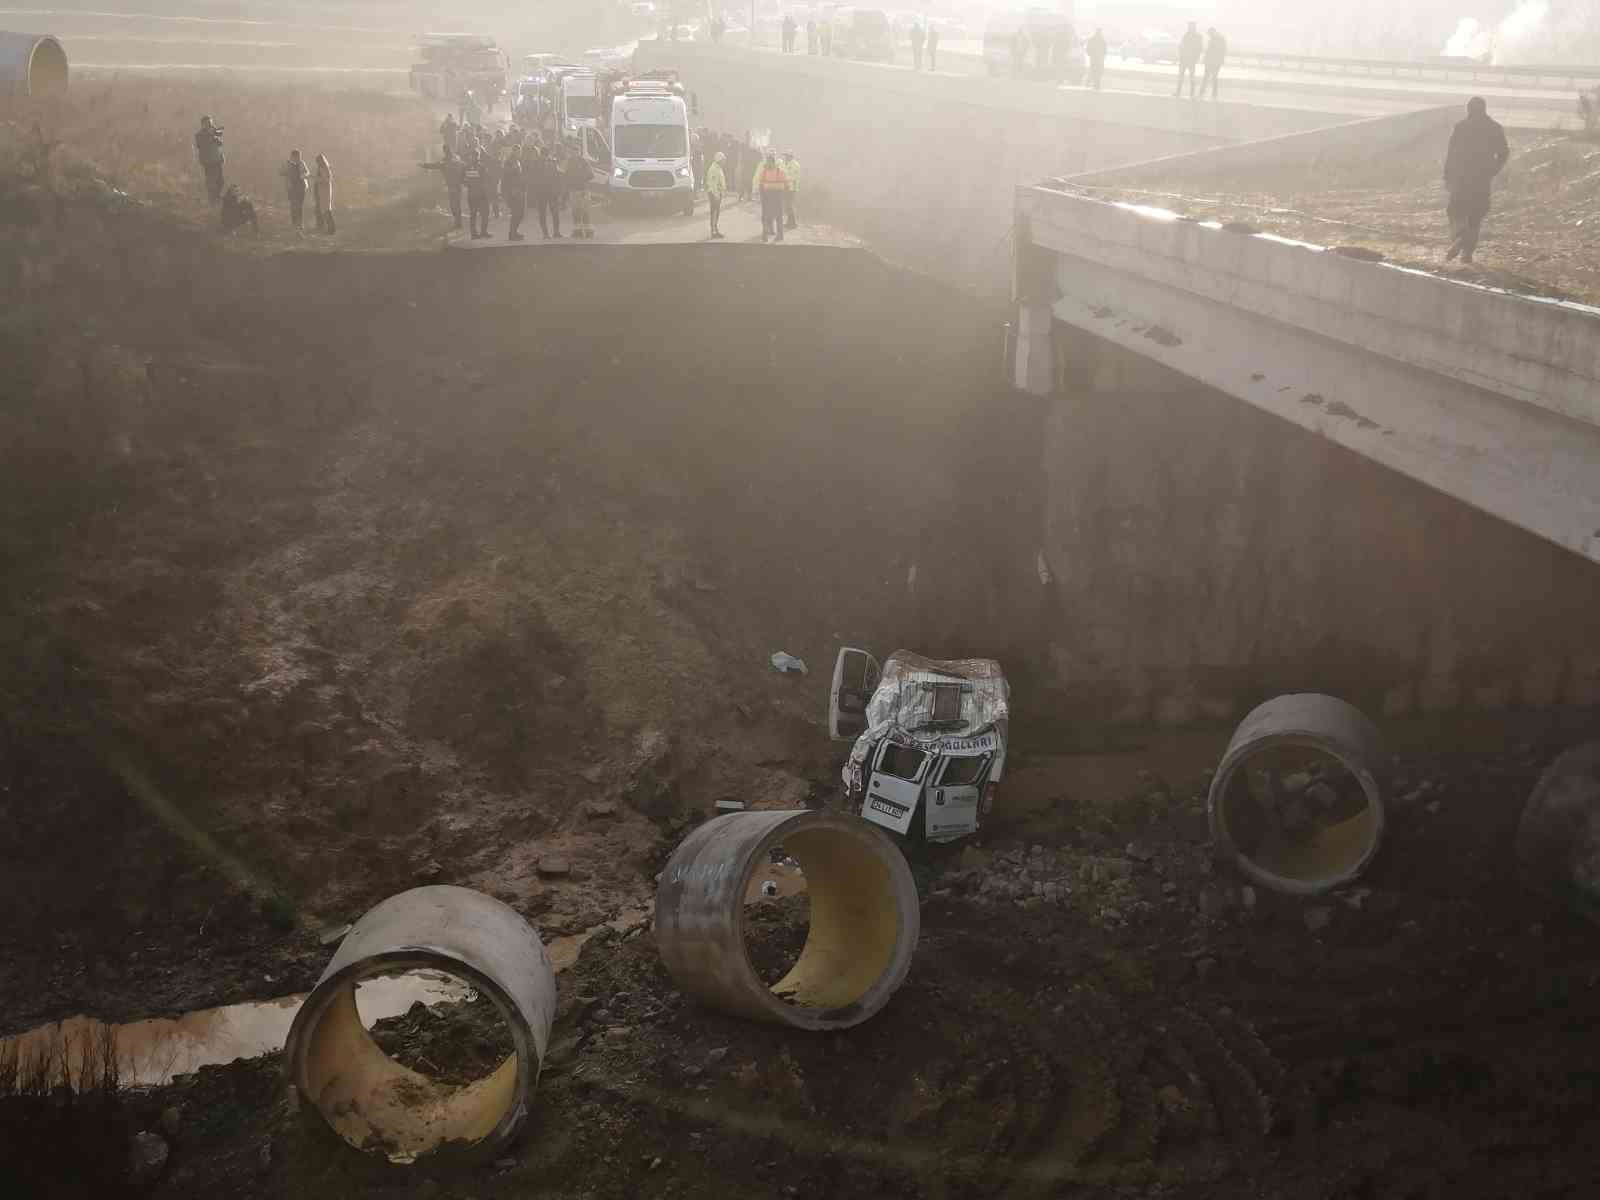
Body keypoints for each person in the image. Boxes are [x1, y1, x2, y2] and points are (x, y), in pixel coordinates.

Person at [1444, 96, 1510, 264]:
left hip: (1461, 178)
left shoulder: (1461, 127)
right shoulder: (1494, 128)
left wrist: (1448, 176)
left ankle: (1459, 237)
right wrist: (1493, 170)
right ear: (1484, 109)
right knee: (1476, 215)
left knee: (1454, 211)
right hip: (1482, 179)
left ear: (1469, 110)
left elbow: (1451, 154)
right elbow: (1503, 153)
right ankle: (1467, 253)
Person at [561, 143, 595, 239]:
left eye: (576, 151)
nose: (574, 153)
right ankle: (578, 232)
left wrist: (581, 179)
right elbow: (564, 174)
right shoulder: (568, 162)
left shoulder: (584, 162)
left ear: (579, 152)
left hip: (583, 190)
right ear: (571, 152)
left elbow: (591, 175)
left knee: (585, 211)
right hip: (573, 190)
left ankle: (588, 232)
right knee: (575, 211)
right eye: (573, 151)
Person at [756, 149, 789, 242]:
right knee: (777, 216)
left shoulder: (765, 171)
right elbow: (786, 185)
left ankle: (766, 234)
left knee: (767, 215)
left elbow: (760, 184)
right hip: (776, 195)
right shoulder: (779, 171)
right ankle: (778, 235)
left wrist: (761, 194)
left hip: (769, 195)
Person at [531, 144, 562, 238]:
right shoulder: (552, 162)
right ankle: (555, 232)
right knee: (554, 212)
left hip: (542, 192)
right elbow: (558, 176)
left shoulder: (536, 163)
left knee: (543, 213)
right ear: (548, 154)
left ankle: (546, 234)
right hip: (550, 192)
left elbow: (533, 179)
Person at [194, 115, 225, 206]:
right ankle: (212, 199)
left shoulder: (213, 133)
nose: (210, 125)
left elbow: (220, 144)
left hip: (217, 160)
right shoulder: (199, 135)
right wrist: (211, 135)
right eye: (208, 124)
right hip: (208, 161)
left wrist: (216, 135)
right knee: (211, 180)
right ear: (203, 124)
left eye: (211, 123)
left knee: (220, 180)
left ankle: (216, 196)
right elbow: (200, 144)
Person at [463, 150, 492, 238]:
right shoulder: (481, 167)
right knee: (484, 213)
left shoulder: (466, 167)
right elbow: (486, 179)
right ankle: (482, 232)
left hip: (472, 194)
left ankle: (475, 233)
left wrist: (469, 184)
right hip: (480, 194)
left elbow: (463, 180)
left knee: (474, 214)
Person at [281, 148, 310, 231]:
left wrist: (303, 175)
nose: (299, 158)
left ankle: (300, 223)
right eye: (298, 156)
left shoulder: (302, 163)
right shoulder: (288, 164)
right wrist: (286, 172)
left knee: (300, 206)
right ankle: (294, 223)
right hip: (291, 187)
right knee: (293, 205)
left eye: (300, 156)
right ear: (293, 156)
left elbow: (307, 172)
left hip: (301, 187)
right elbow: (281, 171)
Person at [503, 147, 527, 240]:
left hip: (519, 190)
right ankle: (512, 234)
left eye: (519, 151)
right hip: (513, 191)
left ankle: (514, 232)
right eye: (516, 151)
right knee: (516, 213)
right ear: (513, 152)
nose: (518, 153)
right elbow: (507, 175)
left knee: (520, 213)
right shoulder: (509, 162)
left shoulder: (518, 161)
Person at [1176, 22, 1203, 98]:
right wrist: (1180, 54)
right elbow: (1181, 45)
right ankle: (1178, 92)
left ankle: (1191, 93)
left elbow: (1199, 48)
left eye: (1190, 26)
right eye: (1189, 26)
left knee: (1191, 77)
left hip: (1191, 60)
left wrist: (1195, 58)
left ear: (1194, 27)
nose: (1189, 27)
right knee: (1181, 76)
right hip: (1184, 59)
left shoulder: (1197, 36)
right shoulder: (1186, 35)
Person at [705, 149, 727, 238]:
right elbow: (713, 184)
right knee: (714, 213)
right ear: (719, 160)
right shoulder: (714, 169)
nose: (724, 162)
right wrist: (716, 195)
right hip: (714, 194)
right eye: (723, 160)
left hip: (717, 193)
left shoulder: (718, 168)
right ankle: (713, 231)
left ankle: (715, 230)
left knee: (716, 213)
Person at [1201, 27, 1227, 99]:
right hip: (1214, 62)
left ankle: (1204, 92)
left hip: (1213, 62)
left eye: (1209, 34)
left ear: (1212, 32)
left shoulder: (1217, 39)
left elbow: (1211, 51)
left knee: (1208, 77)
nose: (1209, 35)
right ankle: (1212, 93)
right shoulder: (1218, 39)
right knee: (1212, 77)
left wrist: (1206, 59)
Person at [313, 153, 335, 234]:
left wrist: (316, 179)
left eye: (318, 161)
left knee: (327, 211)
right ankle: (326, 228)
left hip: (324, 192)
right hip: (322, 191)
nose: (317, 163)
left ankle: (331, 229)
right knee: (324, 210)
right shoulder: (322, 168)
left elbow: (326, 180)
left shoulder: (324, 168)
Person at [781, 150, 800, 229]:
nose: (785, 157)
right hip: (786, 186)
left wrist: (785, 179)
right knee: (788, 205)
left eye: (787, 156)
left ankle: (794, 223)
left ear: (790, 156)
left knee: (790, 205)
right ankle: (789, 223)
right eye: (785, 155)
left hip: (791, 187)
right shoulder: (786, 164)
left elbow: (794, 177)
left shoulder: (795, 164)